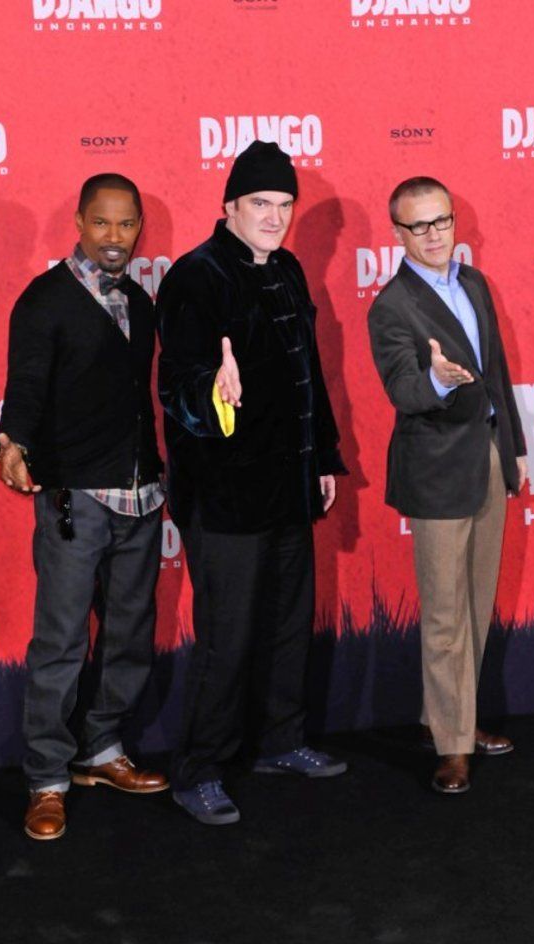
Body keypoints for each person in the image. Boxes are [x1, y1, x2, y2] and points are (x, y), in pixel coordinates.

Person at [156, 140, 348, 825]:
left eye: (284, 204)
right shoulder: (196, 277)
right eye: (260, 203)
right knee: (227, 638)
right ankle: (199, 771)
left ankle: (281, 742)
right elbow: (176, 386)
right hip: (226, 498)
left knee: (288, 624)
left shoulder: (288, 269)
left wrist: (323, 457)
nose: (274, 217)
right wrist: (212, 388)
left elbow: (308, 375)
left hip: (289, 486)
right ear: (229, 206)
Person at [0, 173, 167, 840]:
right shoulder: (46, 300)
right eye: (101, 222)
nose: (114, 236)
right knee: (62, 639)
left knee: (131, 632)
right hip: (76, 496)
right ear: (78, 222)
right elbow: (26, 383)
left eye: (126, 224)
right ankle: (46, 777)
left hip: (141, 494)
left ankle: (102, 749)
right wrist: (13, 442)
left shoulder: (142, 302)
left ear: (139, 228)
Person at [368, 176, 528, 795]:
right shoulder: (391, 305)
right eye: (419, 225)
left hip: (487, 455)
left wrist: (513, 449)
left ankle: (452, 716)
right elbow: (403, 390)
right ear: (398, 234)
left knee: (477, 600)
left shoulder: (475, 282)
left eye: (442, 221)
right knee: (443, 613)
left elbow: (498, 374)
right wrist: (435, 379)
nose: (434, 234)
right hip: (435, 469)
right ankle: (452, 744)